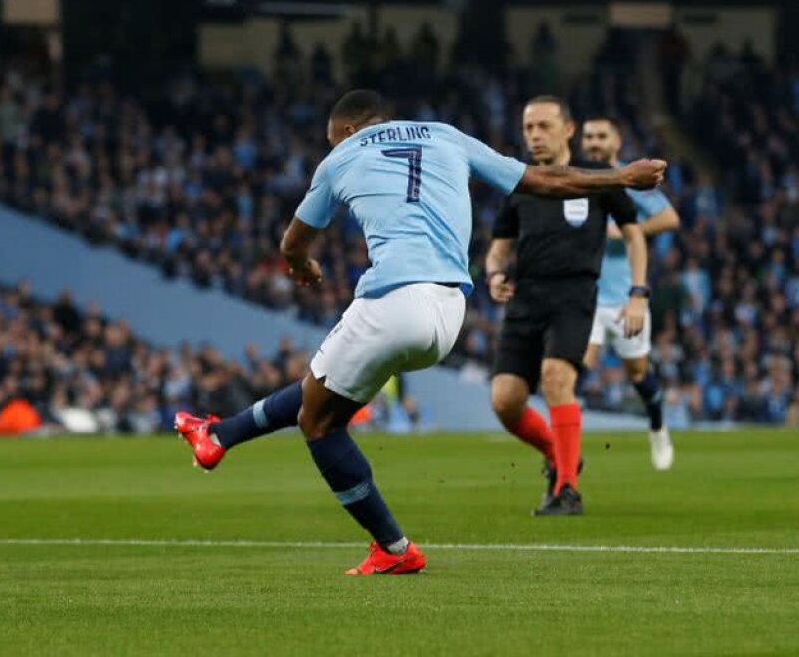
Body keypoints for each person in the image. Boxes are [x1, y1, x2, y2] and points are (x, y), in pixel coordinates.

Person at [174, 89, 666, 575]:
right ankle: (218, 435)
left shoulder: (341, 156)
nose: (334, 149)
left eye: (333, 140)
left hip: (393, 299)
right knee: (319, 393)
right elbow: (543, 180)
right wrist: (621, 175)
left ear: (347, 131)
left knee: (319, 424)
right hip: (449, 312)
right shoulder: (447, 136)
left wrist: (301, 265)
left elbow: (292, 241)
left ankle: (393, 547)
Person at [485, 96, 649, 518]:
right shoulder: (518, 182)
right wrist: (495, 274)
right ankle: (561, 455)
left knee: (557, 378)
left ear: (568, 129)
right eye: (528, 128)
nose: (535, 135)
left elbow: (634, 235)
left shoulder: (596, 178)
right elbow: (499, 248)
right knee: (505, 400)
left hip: (575, 295)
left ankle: (567, 491)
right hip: (527, 296)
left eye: (544, 126)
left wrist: (637, 293)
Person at [580, 116, 680, 470]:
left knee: (638, 374)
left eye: (601, 136)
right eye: (588, 136)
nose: (593, 142)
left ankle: (657, 426)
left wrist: (627, 232)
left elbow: (669, 218)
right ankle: (563, 459)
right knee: (573, 373)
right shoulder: (575, 178)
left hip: (625, 298)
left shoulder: (633, 179)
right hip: (583, 298)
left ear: (616, 141)